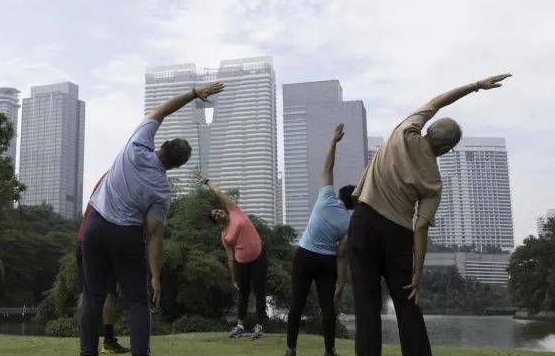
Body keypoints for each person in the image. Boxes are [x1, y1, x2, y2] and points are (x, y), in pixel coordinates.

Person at [349, 74, 511, 356]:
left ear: (429, 128)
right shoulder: (434, 181)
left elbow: (438, 101)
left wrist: (474, 86)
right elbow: (420, 227)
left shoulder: (406, 130)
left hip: (364, 222)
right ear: (447, 150)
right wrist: (418, 272)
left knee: (366, 304)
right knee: (407, 303)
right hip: (398, 235)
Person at [80, 82, 225, 356]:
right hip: (126, 236)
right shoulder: (161, 190)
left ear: (162, 144)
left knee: (94, 296)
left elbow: (162, 110)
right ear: (176, 166)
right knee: (137, 301)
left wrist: (194, 93)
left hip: (96, 226)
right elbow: (154, 233)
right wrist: (156, 276)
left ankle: (87, 352)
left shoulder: (136, 144)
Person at [285, 124, 355, 356]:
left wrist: (334, 141)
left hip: (305, 256)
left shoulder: (326, 197)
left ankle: (291, 349)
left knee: (297, 304)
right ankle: (329, 350)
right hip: (327, 262)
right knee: (328, 310)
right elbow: (342, 254)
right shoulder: (348, 224)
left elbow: (328, 166)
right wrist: (340, 286)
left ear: (338, 194)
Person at [203, 174, 268, 340]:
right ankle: (240, 325)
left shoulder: (234, 211)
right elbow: (230, 257)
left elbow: (219, 192)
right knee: (243, 294)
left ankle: (259, 325)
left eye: (217, 211)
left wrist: (206, 181)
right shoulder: (224, 235)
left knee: (260, 291)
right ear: (216, 222)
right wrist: (234, 278)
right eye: (215, 216)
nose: (218, 214)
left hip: (258, 257)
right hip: (241, 264)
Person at [76, 173, 129, 354]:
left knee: (97, 294)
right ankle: (99, 342)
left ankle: (101, 341)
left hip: (86, 239)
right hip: (99, 240)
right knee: (100, 294)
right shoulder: (122, 177)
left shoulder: (110, 177)